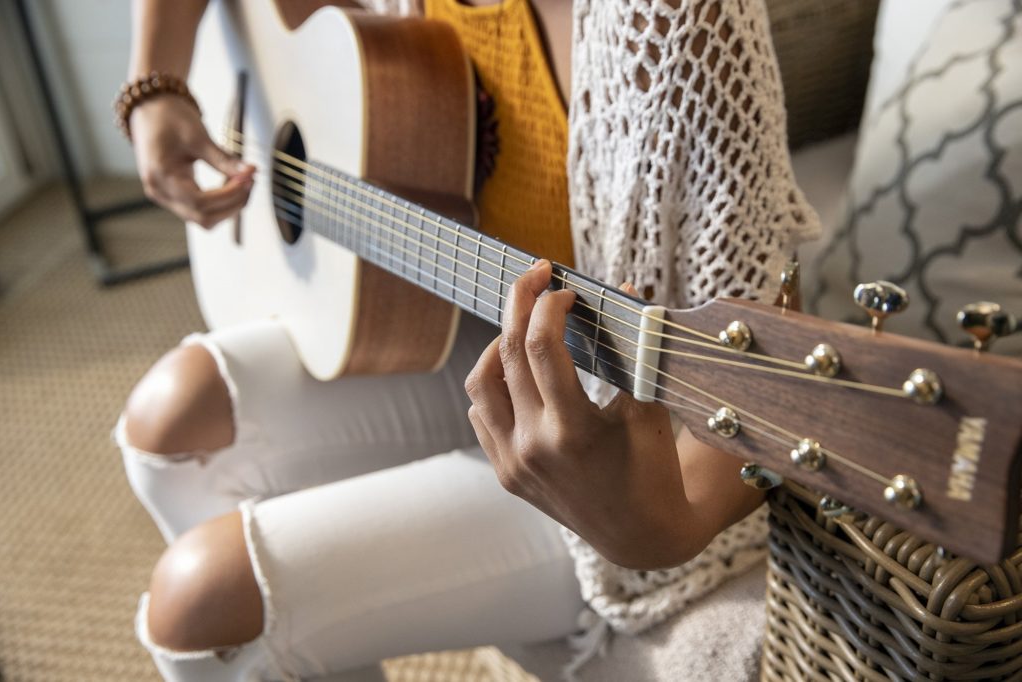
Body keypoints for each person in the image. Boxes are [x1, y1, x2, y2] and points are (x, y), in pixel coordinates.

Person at [118, 0, 820, 679]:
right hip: (447, 319)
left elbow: (751, 383)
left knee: (198, 603)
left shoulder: (679, 19)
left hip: (604, 423)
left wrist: (657, 530)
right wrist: (155, 87)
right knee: (168, 421)